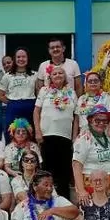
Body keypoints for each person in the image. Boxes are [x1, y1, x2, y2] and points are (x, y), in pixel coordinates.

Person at [34, 65, 78, 197]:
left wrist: (74, 137)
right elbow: (36, 112)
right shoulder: (44, 90)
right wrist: (38, 131)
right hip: (47, 136)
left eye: (60, 73)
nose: (58, 75)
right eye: (55, 74)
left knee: (64, 172)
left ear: (65, 77)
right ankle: (47, 200)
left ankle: (64, 201)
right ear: (50, 77)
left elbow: (76, 116)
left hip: (65, 137)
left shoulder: (71, 93)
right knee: (48, 171)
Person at [72, 106, 110, 204]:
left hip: (109, 184)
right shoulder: (84, 138)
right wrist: (81, 191)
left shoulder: (107, 138)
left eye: (105, 121)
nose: (101, 123)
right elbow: (76, 165)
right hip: (92, 183)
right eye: (97, 120)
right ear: (90, 121)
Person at [0, 48, 38, 134]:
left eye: (24, 57)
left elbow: (38, 93)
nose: (21, 59)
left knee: (30, 133)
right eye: (18, 57)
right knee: (11, 133)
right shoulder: (7, 76)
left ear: (28, 58)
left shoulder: (35, 75)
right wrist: (12, 102)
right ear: (14, 59)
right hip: (13, 108)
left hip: (30, 107)